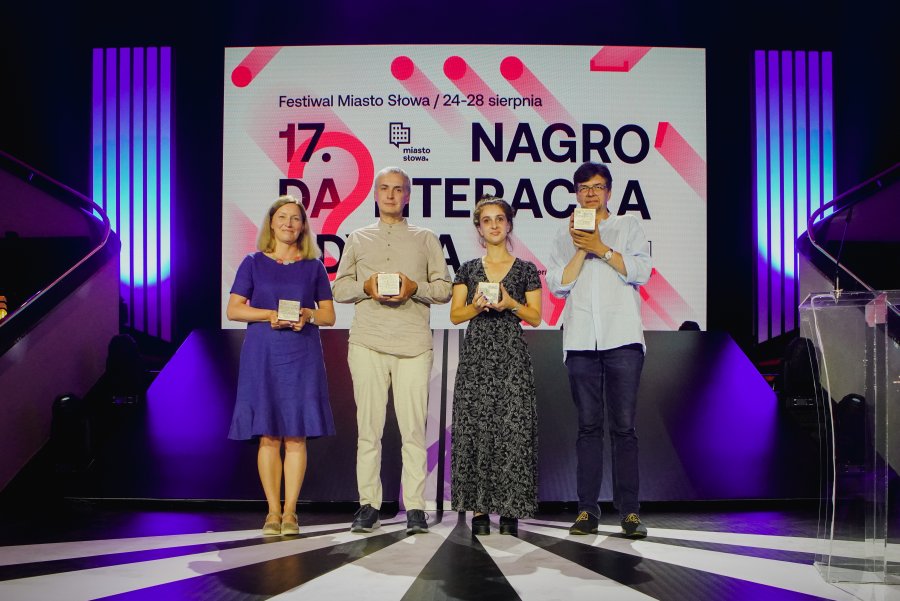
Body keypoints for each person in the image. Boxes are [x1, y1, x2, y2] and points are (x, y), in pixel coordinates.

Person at [333, 166, 452, 535]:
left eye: (397, 189)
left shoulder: (426, 238)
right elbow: (339, 290)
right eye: (384, 188)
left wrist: (414, 286)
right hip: (368, 342)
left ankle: (415, 507)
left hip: (413, 344)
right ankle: (368, 504)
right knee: (369, 430)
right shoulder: (357, 237)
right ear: (374, 194)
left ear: (408, 196)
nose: (390, 195)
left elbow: (444, 289)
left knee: (413, 430)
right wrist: (366, 286)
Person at [546, 162, 652, 539]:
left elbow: (641, 272)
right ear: (576, 194)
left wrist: (602, 249)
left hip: (622, 339)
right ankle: (587, 511)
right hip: (579, 342)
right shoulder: (563, 235)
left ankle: (630, 513)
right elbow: (557, 286)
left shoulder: (628, 226)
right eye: (584, 188)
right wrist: (580, 247)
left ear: (609, 192)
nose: (591, 193)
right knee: (588, 428)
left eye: (598, 187)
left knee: (624, 429)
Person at [226, 195, 336, 536]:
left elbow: (329, 316)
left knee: (296, 436)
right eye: (282, 217)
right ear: (271, 223)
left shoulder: (314, 266)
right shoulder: (253, 262)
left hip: (301, 353)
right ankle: (272, 512)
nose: (289, 223)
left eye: (296, 218)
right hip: (264, 354)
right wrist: (269, 315)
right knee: (269, 436)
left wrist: (308, 315)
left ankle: (291, 514)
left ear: (303, 226)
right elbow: (234, 310)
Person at [450, 196, 542, 536]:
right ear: (478, 227)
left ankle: (510, 509)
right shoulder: (468, 269)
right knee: (476, 430)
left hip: (511, 358)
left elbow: (535, 317)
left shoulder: (526, 269)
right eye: (486, 220)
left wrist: (510, 303)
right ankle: (478, 509)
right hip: (476, 359)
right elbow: (455, 314)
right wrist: (476, 306)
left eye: (499, 219)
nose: (493, 225)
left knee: (512, 432)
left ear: (509, 224)